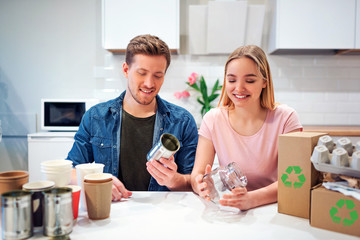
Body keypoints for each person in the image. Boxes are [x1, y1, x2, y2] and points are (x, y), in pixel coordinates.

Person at [67, 34, 198, 201]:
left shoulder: (183, 121)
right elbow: (69, 171)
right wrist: (96, 180)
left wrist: (174, 180)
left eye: (158, 75)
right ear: (126, 70)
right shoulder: (96, 117)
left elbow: (193, 181)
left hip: (163, 215)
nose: (149, 83)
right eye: (142, 73)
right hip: (112, 213)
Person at [190, 45, 302, 210]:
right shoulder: (213, 119)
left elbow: (296, 180)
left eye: (249, 80)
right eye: (232, 80)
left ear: (264, 81)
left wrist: (251, 199)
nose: (239, 88)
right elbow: (197, 174)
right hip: (230, 207)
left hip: (275, 208)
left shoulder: (286, 118)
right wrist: (200, 185)